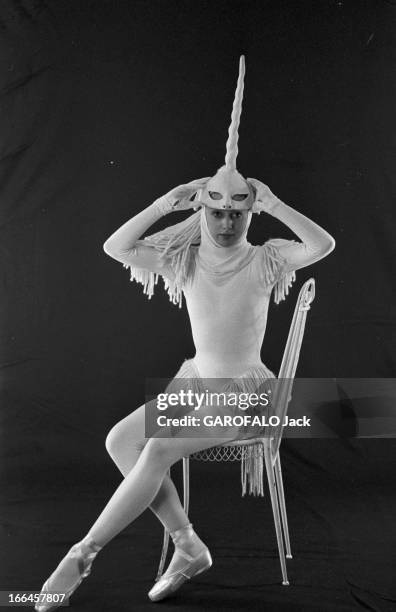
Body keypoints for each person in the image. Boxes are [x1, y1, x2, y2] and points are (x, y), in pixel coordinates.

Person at [34, 56, 335, 610]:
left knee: (156, 449)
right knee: (121, 441)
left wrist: (275, 203)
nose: (225, 222)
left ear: (250, 214)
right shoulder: (185, 260)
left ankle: (81, 556)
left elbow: (321, 246)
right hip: (195, 384)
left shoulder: (268, 260)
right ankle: (188, 543)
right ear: (202, 209)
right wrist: (164, 202)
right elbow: (116, 247)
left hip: (246, 395)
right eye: (215, 212)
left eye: (237, 213)